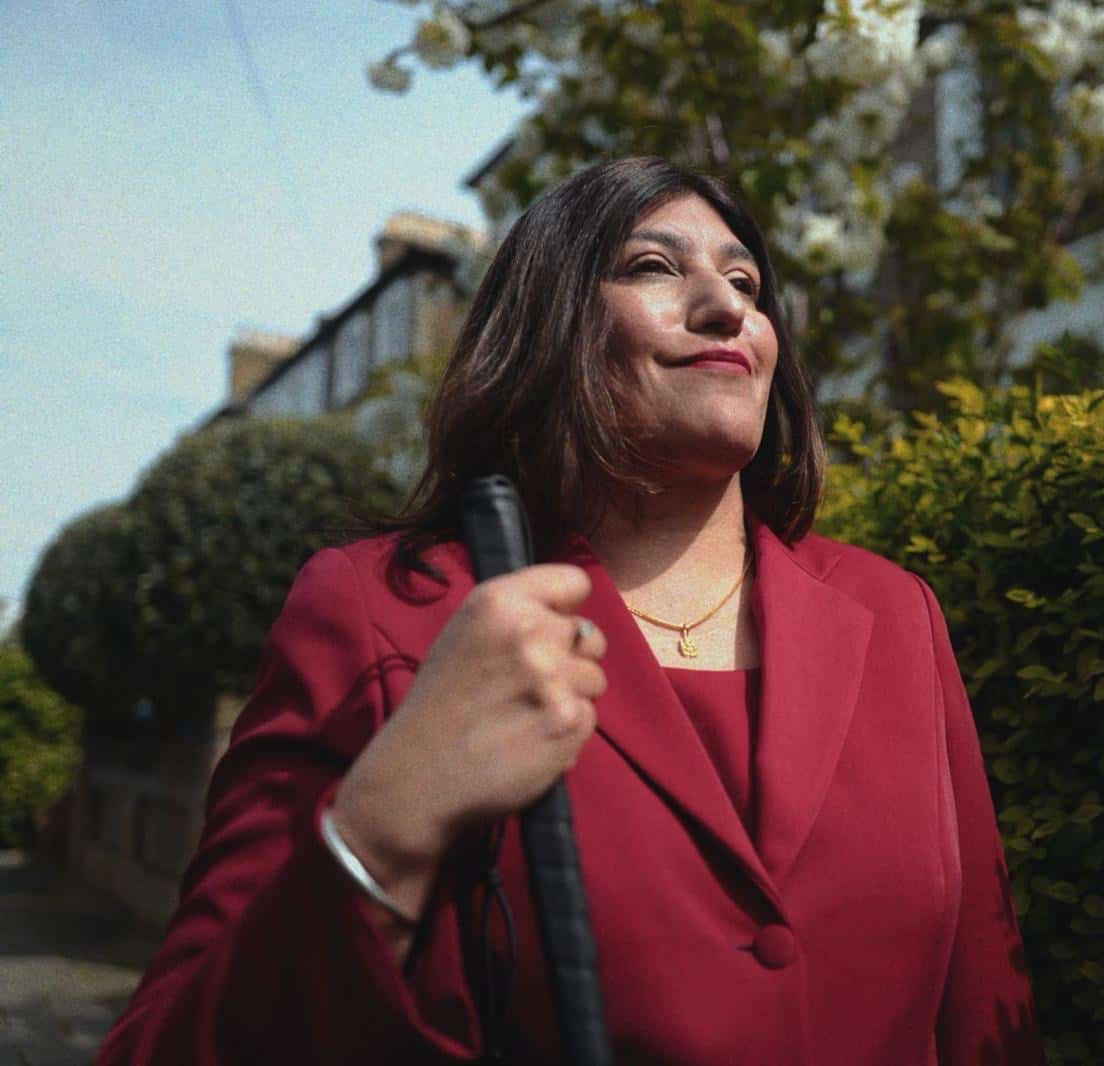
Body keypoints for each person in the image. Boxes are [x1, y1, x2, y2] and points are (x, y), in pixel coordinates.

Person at [96, 157, 1042, 1065]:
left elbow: (984, 1012)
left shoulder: (896, 614)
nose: (728, 307)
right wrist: (381, 829)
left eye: (747, 283)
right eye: (653, 267)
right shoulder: (382, 612)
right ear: (545, 329)